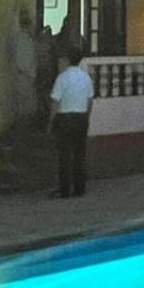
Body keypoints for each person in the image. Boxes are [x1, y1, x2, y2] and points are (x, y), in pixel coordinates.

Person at [49, 41, 94, 198]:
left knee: (64, 156)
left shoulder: (62, 78)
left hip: (65, 119)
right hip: (81, 117)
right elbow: (90, 100)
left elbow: (55, 101)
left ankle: (64, 189)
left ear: (67, 59)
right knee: (80, 154)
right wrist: (86, 116)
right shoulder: (86, 77)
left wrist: (51, 121)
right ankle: (79, 188)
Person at [12, 11, 37, 125]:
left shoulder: (22, 39)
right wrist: (30, 75)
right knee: (25, 105)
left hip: (25, 75)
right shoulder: (25, 40)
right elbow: (23, 62)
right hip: (25, 75)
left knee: (23, 103)